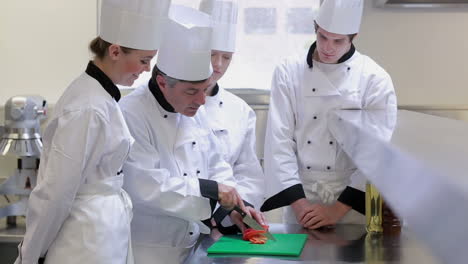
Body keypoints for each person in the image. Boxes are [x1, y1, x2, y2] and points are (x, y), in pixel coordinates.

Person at [14, 0, 169, 263]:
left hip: (102, 231)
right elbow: (56, 192)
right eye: (144, 60)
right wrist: (30, 254)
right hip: (83, 238)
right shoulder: (86, 107)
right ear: (116, 51)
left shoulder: (101, 97)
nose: (146, 70)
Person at [119, 5, 254, 264]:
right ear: (162, 82)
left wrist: (233, 208)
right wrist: (213, 190)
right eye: (192, 91)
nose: (202, 100)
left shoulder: (193, 107)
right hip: (149, 251)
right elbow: (148, 186)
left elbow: (217, 164)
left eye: (205, 89)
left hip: (194, 247)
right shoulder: (131, 114)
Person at [261, 0, 397, 230]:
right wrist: (300, 206)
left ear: (353, 36)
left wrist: (337, 210)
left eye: (338, 41)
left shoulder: (374, 78)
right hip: (301, 201)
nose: (327, 47)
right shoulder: (288, 71)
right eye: (323, 37)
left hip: (351, 206)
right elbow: (279, 140)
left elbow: (377, 151)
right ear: (315, 27)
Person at [198, 0, 266, 233]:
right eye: (212, 54)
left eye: (226, 57)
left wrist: (233, 213)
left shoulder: (240, 110)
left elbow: (248, 176)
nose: (218, 65)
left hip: (226, 225)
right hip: (178, 226)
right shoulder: (170, 103)